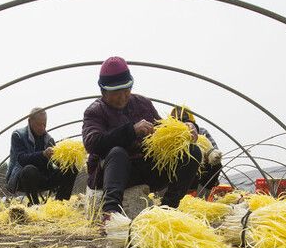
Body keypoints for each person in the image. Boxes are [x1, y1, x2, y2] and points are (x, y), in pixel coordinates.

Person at [83, 57, 202, 218]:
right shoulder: (95, 111)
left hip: (145, 169)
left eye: (126, 90)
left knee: (192, 152)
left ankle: (167, 209)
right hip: (114, 174)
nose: (123, 97)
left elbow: (162, 131)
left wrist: (184, 129)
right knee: (117, 152)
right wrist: (131, 131)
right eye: (116, 92)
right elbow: (93, 143)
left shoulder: (143, 103)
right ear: (103, 92)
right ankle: (111, 213)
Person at [6, 107, 74, 204]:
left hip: (44, 178)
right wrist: (43, 154)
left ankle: (58, 203)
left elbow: (56, 163)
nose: (42, 128)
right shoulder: (18, 135)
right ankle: (35, 205)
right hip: (23, 179)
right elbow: (21, 159)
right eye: (38, 124)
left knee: (71, 167)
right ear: (29, 121)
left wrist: (65, 158)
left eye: (44, 125)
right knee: (29, 169)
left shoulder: (49, 139)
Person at [170, 106, 224, 198]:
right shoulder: (170, 135)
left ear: (190, 119)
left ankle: (201, 197)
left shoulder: (202, 132)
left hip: (201, 172)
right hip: (181, 170)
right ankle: (175, 196)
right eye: (175, 118)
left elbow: (215, 152)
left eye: (184, 117)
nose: (180, 119)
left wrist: (208, 155)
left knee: (216, 165)